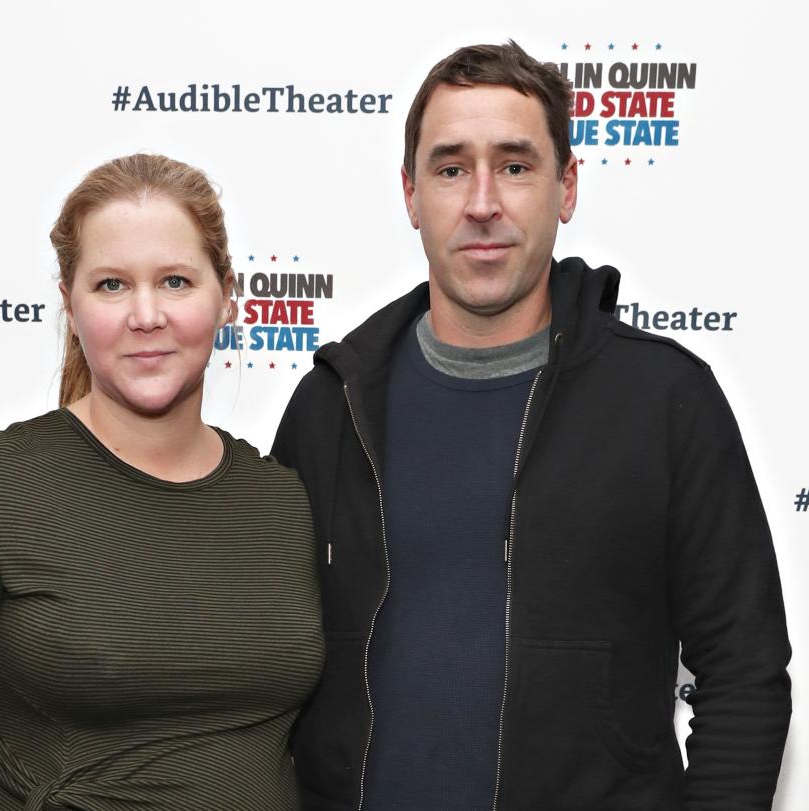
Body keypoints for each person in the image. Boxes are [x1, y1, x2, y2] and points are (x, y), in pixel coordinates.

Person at [272, 42, 791, 810]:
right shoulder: (332, 405)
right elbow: (263, 671)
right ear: (412, 195)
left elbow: (744, 672)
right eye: (451, 169)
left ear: (567, 186)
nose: (483, 201)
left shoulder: (666, 400)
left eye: (515, 165)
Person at [0, 154, 325, 810]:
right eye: (111, 285)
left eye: (175, 281)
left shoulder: (283, 501)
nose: (145, 314)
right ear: (69, 303)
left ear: (227, 297)